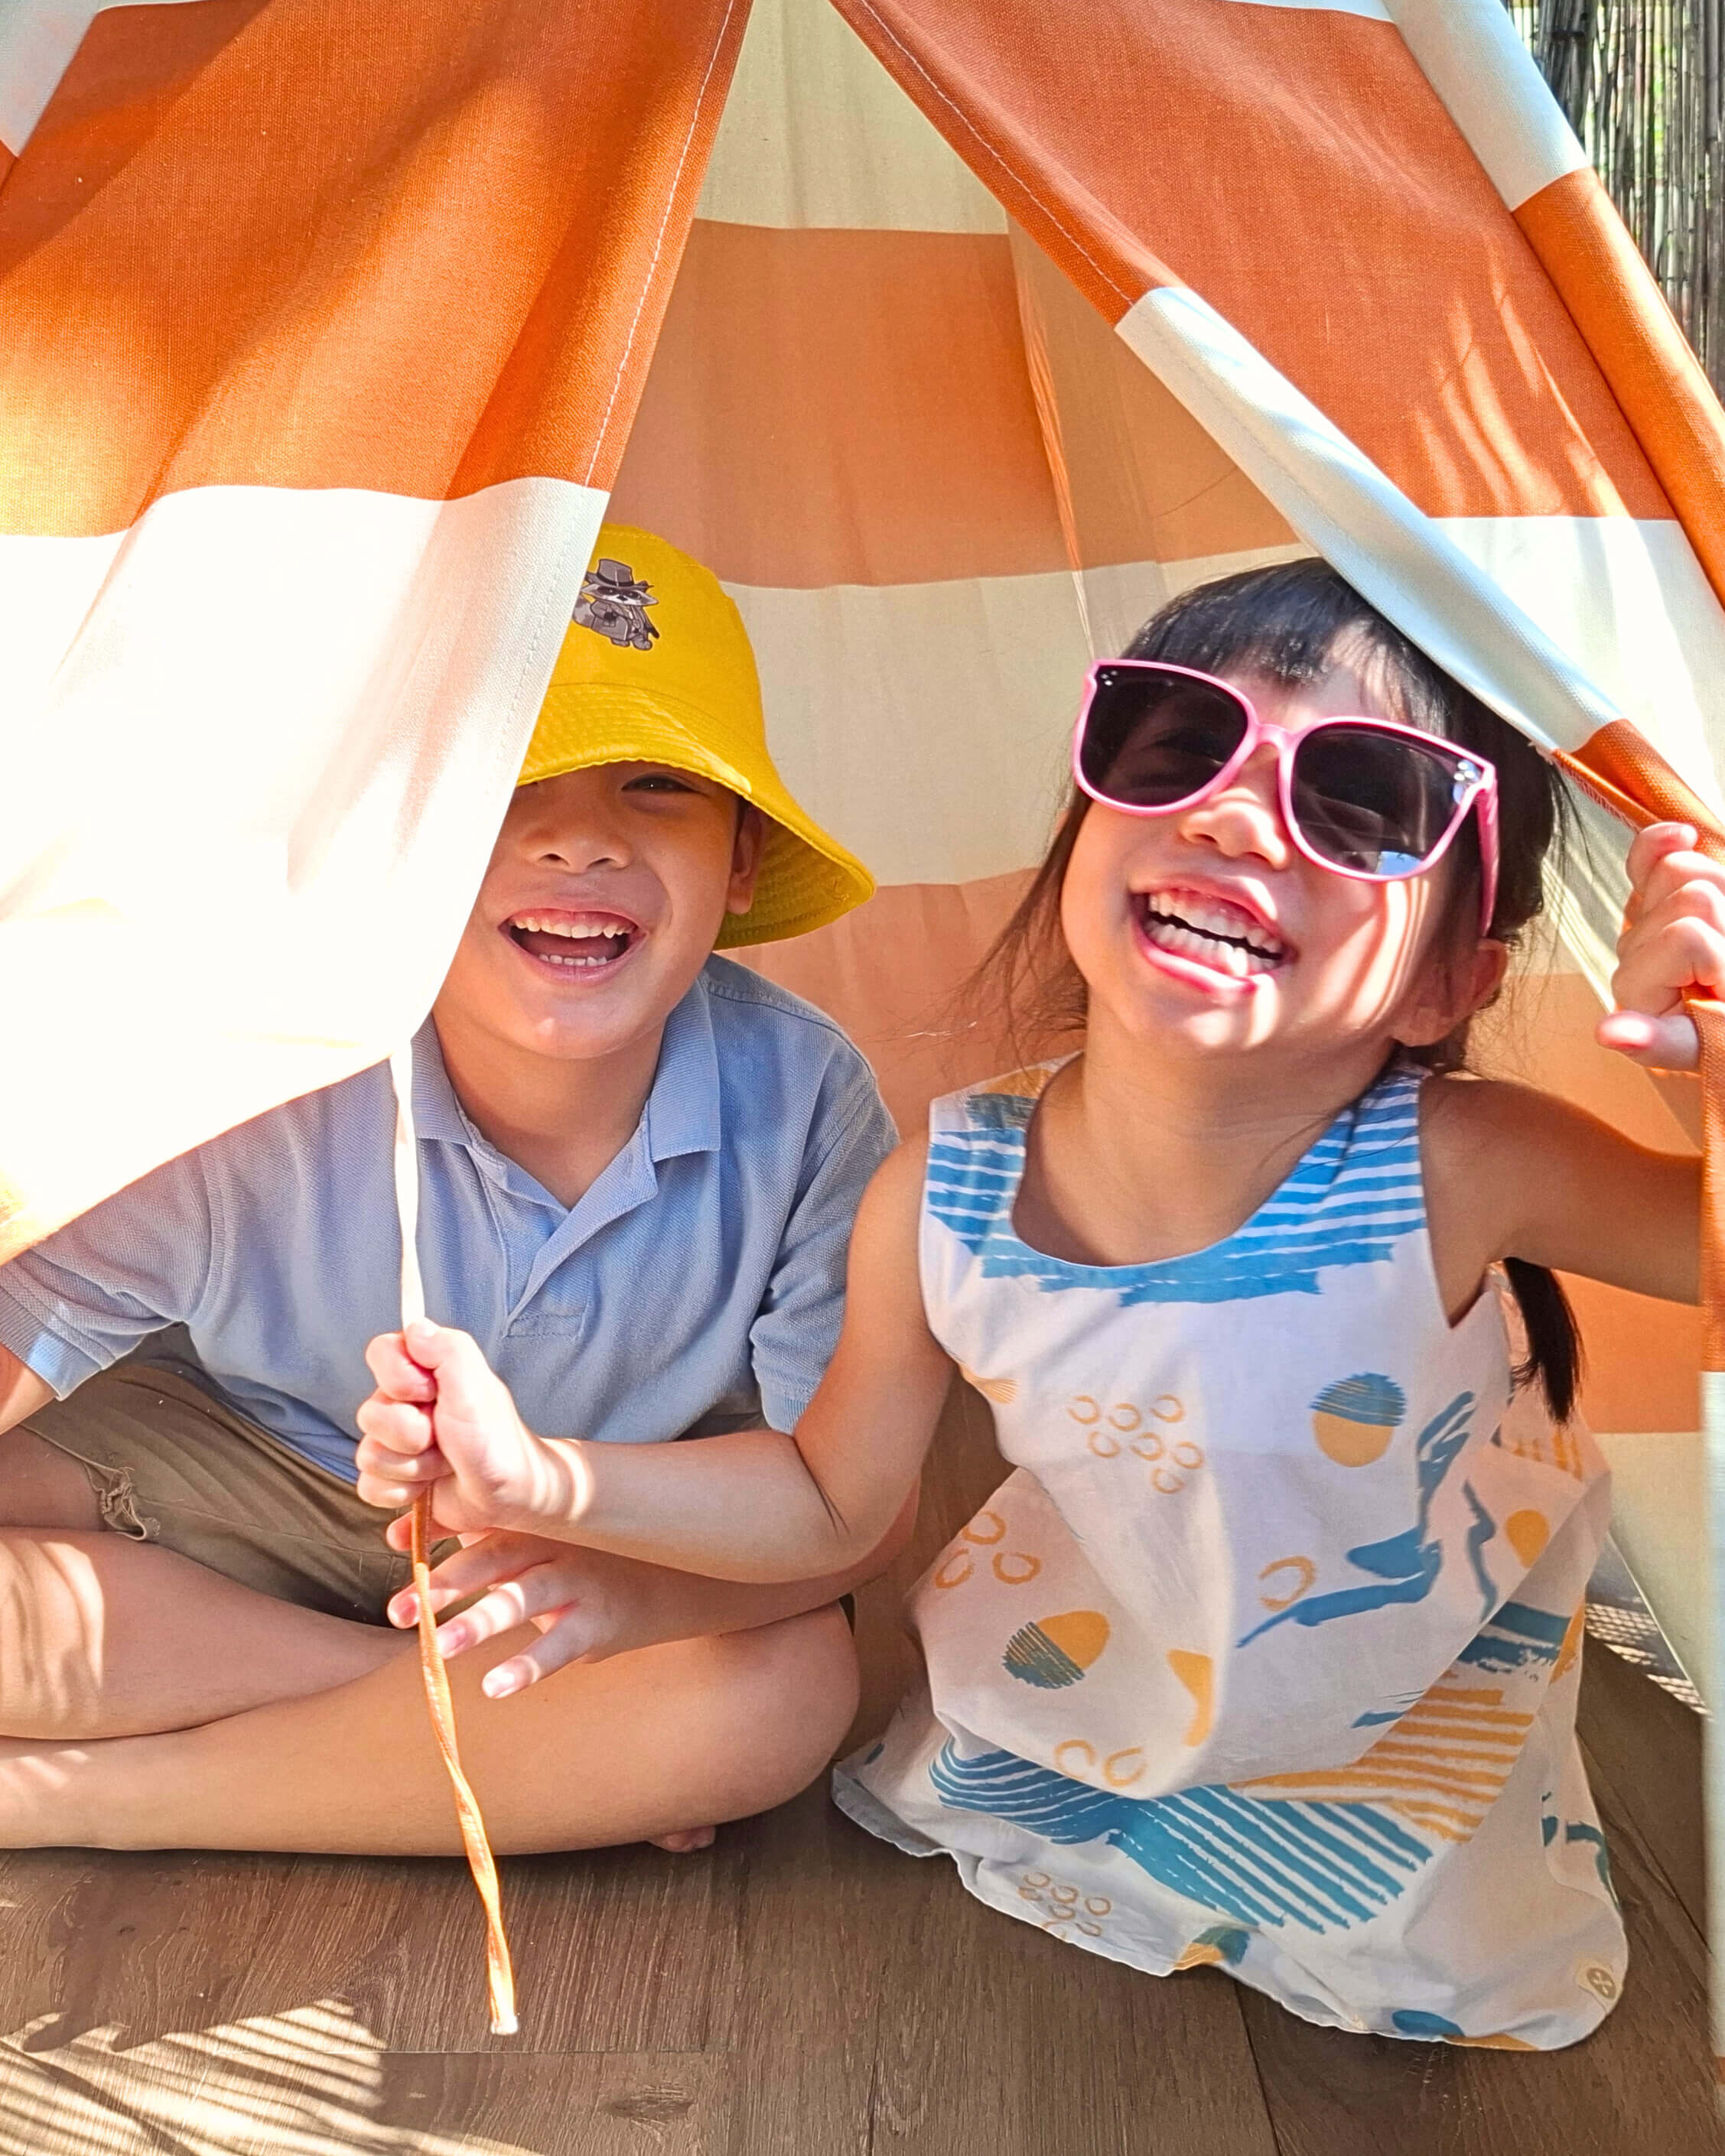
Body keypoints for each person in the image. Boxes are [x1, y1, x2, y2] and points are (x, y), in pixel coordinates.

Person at [348, 559, 1711, 2048]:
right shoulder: (942, 1188)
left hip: (1393, 1741)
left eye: (1368, 797)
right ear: (1079, 839)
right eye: (1177, 741)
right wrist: (548, 1482)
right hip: (1094, 1711)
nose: (1235, 811)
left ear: (1450, 979)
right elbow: (826, 1499)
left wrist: (1693, 1073)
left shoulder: (1465, 1163)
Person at [0, 524, 901, 1857]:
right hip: (243, 1479)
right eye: (504, 783)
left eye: (656, 786)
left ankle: (79, 1803)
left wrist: (571, 1526)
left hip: (598, 1541)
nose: (578, 841)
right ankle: (450, 1732)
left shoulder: (810, 1101)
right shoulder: (270, 1070)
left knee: (785, 1690)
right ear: (404, 841)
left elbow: (839, 1515)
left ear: (744, 863)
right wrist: (543, 1720)